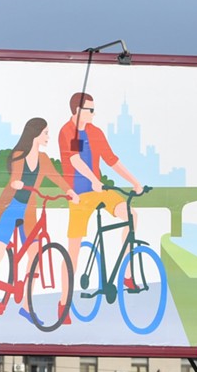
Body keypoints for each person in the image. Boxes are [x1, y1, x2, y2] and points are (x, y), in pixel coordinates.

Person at [0, 116, 70, 323]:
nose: (47, 136)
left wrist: (71, 192)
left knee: (35, 256)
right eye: (45, 132)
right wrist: (16, 183)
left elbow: (56, 177)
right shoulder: (19, 155)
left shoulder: (44, 160)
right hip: (12, 206)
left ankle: (26, 305)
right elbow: (14, 179)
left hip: (30, 211)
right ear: (35, 134)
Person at [57, 91, 145, 287]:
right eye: (91, 110)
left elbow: (112, 160)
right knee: (73, 252)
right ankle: (64, 303)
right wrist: (93, 179)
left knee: (132, 215)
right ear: (79, 110)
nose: (94, 114)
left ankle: (127, 275)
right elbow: (75, 160)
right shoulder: (67, 132)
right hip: (78, 197)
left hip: (99, 192)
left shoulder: (95, 132)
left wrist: (135, 182)